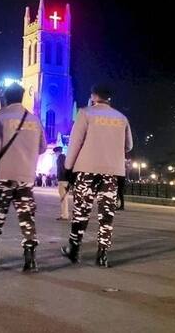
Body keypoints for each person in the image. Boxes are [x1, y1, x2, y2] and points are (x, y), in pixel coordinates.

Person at [0, 83, 47, 272]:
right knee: (27, 217)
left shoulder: (0, 116)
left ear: (5, 98)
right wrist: (27, 154)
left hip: (3, 176)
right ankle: (30, 259)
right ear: (22, 97)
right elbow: (43, 147)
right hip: (26, 177)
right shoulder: (34, 120)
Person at [61, 84, 133, 268]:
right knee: (106, 216)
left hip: (86, 170)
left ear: (93, 96)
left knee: (81, 212)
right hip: (111, 173)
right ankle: (102, 255)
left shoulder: (85, 113)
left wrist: (68, 168)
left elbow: (75, 143)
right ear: (110, 97)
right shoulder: (121, 118)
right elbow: (129, 146)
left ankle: (74, 249)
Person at [54, 146, 70, 221]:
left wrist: (62, 178)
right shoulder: (64, 157)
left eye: (55, 153)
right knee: (64, 198)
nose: (55, 154)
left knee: (63, 198)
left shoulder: (60, 158)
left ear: (57, 152)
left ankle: (65, 215)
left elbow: (62, 169)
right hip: (64, 180)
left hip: (62, 180)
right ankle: (64, 214)